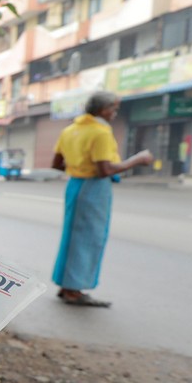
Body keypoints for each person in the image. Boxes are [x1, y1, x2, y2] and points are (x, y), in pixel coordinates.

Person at [51, 91, 152, 307]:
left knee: (73, 237)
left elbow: (57, 163)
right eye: (114, 109)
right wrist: (138, 160)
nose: (115, 113)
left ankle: (67, 285)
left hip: (75, 185)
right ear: (103, 109)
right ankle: (73, 291)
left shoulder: (70, 130)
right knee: (89, 238)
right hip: (93, 188)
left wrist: (78, 166)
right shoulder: (100, 133)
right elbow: (105, 169)